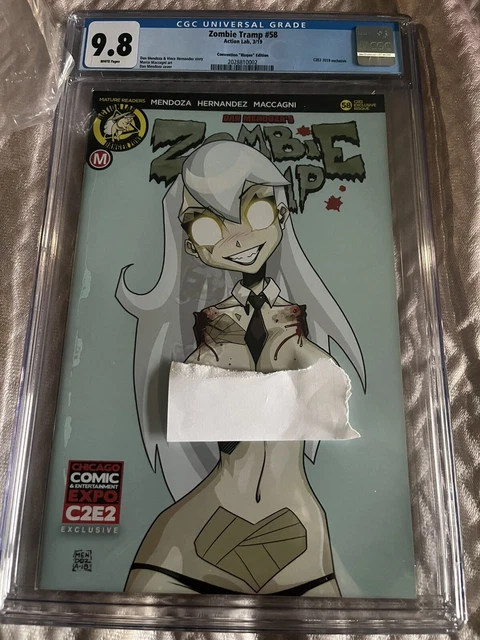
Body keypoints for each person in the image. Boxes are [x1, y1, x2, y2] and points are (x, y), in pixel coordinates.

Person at [116, 140, 366, 595]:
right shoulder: (211, 327)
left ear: (281, 213)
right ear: (192, 243)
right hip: (205, 527)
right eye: (208, 227)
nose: (237, 237)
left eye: (255, 212)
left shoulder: (294, 323)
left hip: (295, 529)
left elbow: (332, 394)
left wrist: (297, 356)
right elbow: (189, 409)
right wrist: (207, 372)